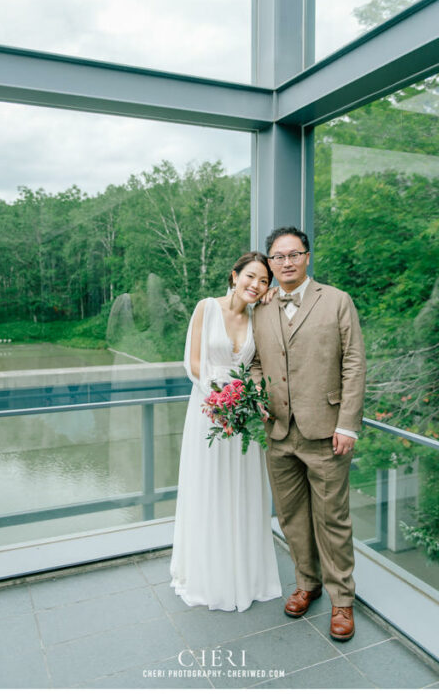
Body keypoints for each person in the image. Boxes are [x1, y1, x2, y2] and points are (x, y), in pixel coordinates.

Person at [250, 226, 366, 641]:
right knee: (291, 516)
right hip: (279, 432)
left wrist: (348, 423)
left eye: (293, 254)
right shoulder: (260, 308)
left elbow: (354, 364)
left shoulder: (336, 301)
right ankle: (307, 584)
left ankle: (342, 601)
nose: (286, 262)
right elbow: (256, 363)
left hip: (327, 431)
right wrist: (259, 394)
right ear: (270, 262)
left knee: (332, 518)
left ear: (307, 257)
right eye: (277, 257)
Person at [169, 252, 282, 612]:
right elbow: (193, 361)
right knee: (210, 488)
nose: (256, 285)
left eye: (264, 281)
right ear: (234, 276)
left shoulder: (257, 316)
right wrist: (220, 397)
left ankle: (244, 575)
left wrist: (246, 399)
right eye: (251, 276)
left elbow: (256, 366)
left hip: (242, 418)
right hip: (208, 410)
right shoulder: (207, 307)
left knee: (242, 491)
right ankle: (209, 576)